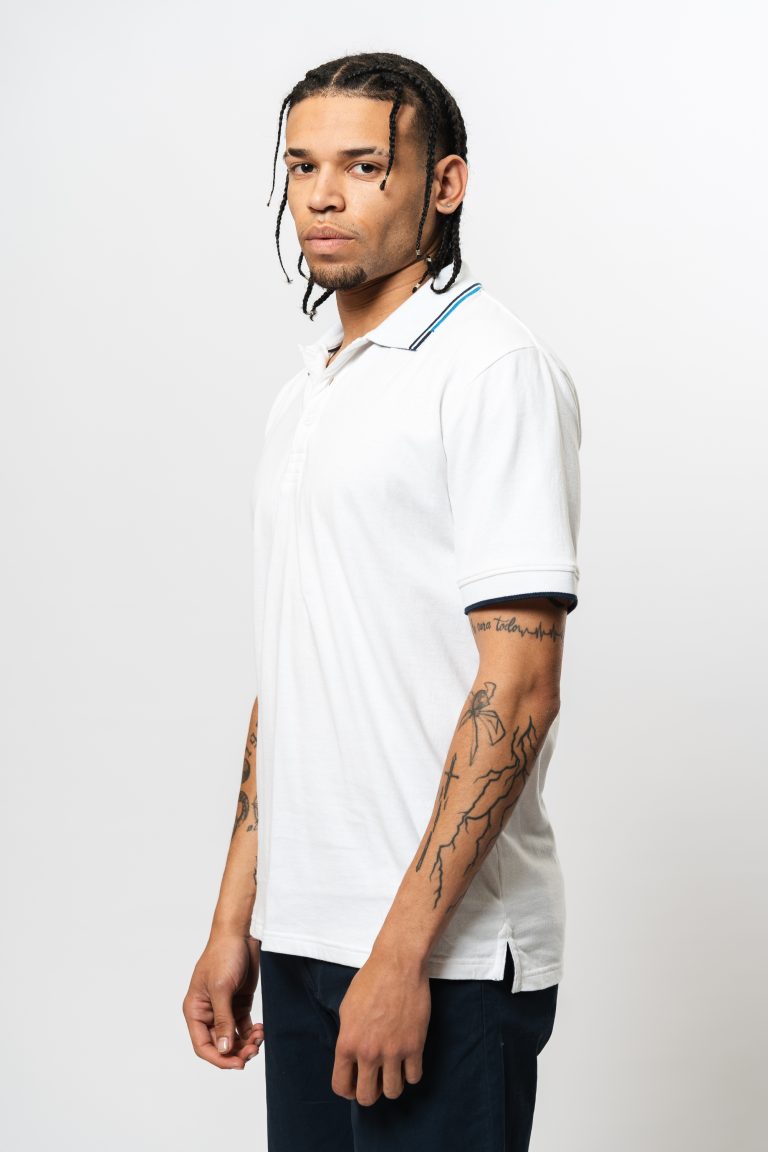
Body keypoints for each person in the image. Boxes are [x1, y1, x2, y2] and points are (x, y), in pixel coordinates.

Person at [183, 51, 582, 1152]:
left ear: (444, 184)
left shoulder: (490, 370)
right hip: (302, 939)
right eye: (302, 166)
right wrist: (237, 921)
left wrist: (403, 954)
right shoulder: (310, 390)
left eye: (364, 166)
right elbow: (295, 674)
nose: (323, 195)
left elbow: (522, 687)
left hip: (444, 957)